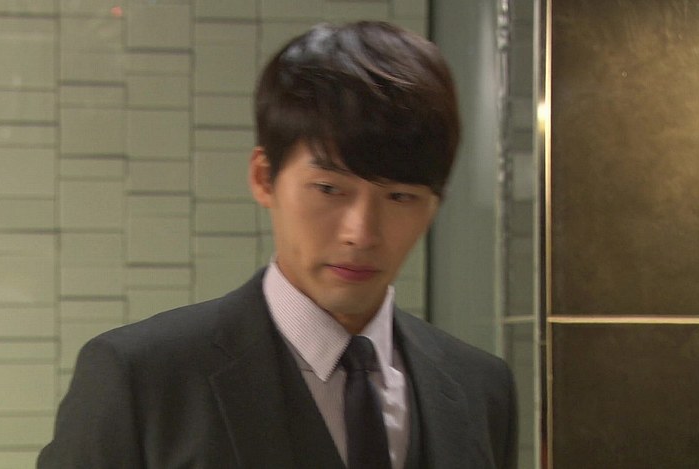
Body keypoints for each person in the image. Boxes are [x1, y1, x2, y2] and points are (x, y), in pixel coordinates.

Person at [38, 21, 517, 469]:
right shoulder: (142, 379)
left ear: (435, 205)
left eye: (400, 197)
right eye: (329, 189)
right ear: (264, 177)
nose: (361, 232)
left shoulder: (482, 388)